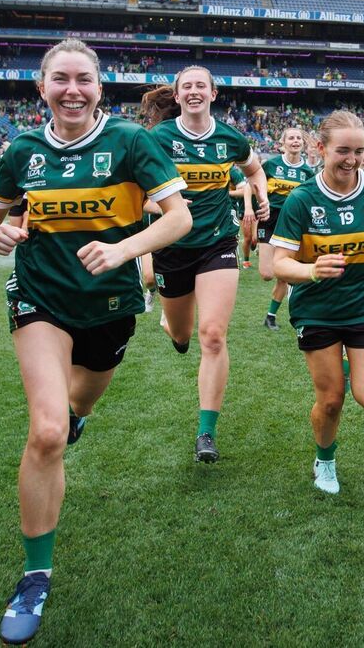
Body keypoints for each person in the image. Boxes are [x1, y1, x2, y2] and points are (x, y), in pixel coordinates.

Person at [0, 38, 191, 645]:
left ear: (101, 87)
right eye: (60, 79)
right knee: (46, 431)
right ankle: (35, 574)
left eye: (84, 80)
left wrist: (124, 249)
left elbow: (179, 218)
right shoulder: (23, 151)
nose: (73, 90)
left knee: (79, 406)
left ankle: (77, 415)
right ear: (41, 87)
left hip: (112, 306)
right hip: (39, 299)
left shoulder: (129, 141)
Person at [141, 66, 269, 463]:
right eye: (187, 87)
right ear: (177, 96)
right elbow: (135, 196)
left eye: (201, 85)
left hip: (217, 243)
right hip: (172, 246)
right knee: (183, 335)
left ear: (214, 93)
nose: (194, 91)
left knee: (212, 334)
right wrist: (163, 208)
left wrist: (261, 196)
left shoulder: (230, 137)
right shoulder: (157, 139)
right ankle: (174, 329)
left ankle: (206, 432)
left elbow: (254, 169)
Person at [270, 111, 364, 494]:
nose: (352, 159)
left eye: (359, 151)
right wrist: (311, 270)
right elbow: (279, 264)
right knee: (331, 401)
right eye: (343, 150)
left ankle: (348, 364)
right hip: (317, 310)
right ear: (321, 148)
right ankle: (324, 461)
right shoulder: (301, 200)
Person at [259, 127, 317, 331]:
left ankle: (271, 316)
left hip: (292, 225)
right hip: (269, 220)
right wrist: (254, 206)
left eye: (298, 138)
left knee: (284, 273)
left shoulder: (308, 173)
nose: (295, 141)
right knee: (267, 273)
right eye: (291, 138)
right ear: (282, 143)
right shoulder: (271, 165)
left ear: (303, 143)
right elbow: (253, 183)